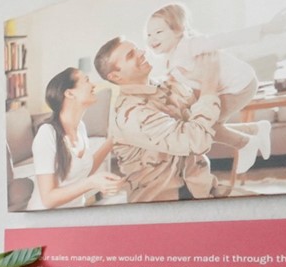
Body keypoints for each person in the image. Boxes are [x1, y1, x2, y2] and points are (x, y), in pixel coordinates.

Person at [143, 2, 272, 173]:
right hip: (226, 88)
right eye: (149, 34)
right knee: (198, 124)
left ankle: (246, 143)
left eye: (159, 32)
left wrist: (263, 29)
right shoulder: (169, 58)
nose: (152, 39)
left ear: (178, 30)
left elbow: (224, 39)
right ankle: (255, 130)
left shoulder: (190, 44)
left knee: (205, 127)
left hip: (240, 85)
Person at [93, 36, 224, 203]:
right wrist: (209, 83)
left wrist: (198, 80)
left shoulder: (164, 85)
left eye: (137, 48)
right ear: (116, 76)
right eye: (131, 55)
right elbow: (196, 140)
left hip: (201, 189)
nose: (142, 52)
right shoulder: (131, 113)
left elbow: (204, 117)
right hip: (163, 203)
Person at [27, 67, 122, 209]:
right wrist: (91, 183)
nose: (93, 85)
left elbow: (84, 170)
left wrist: (113, 140)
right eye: (87, 80)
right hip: (45, 221)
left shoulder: (81, 128)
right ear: (70, 93)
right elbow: (48, 199)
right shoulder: (47, 134)